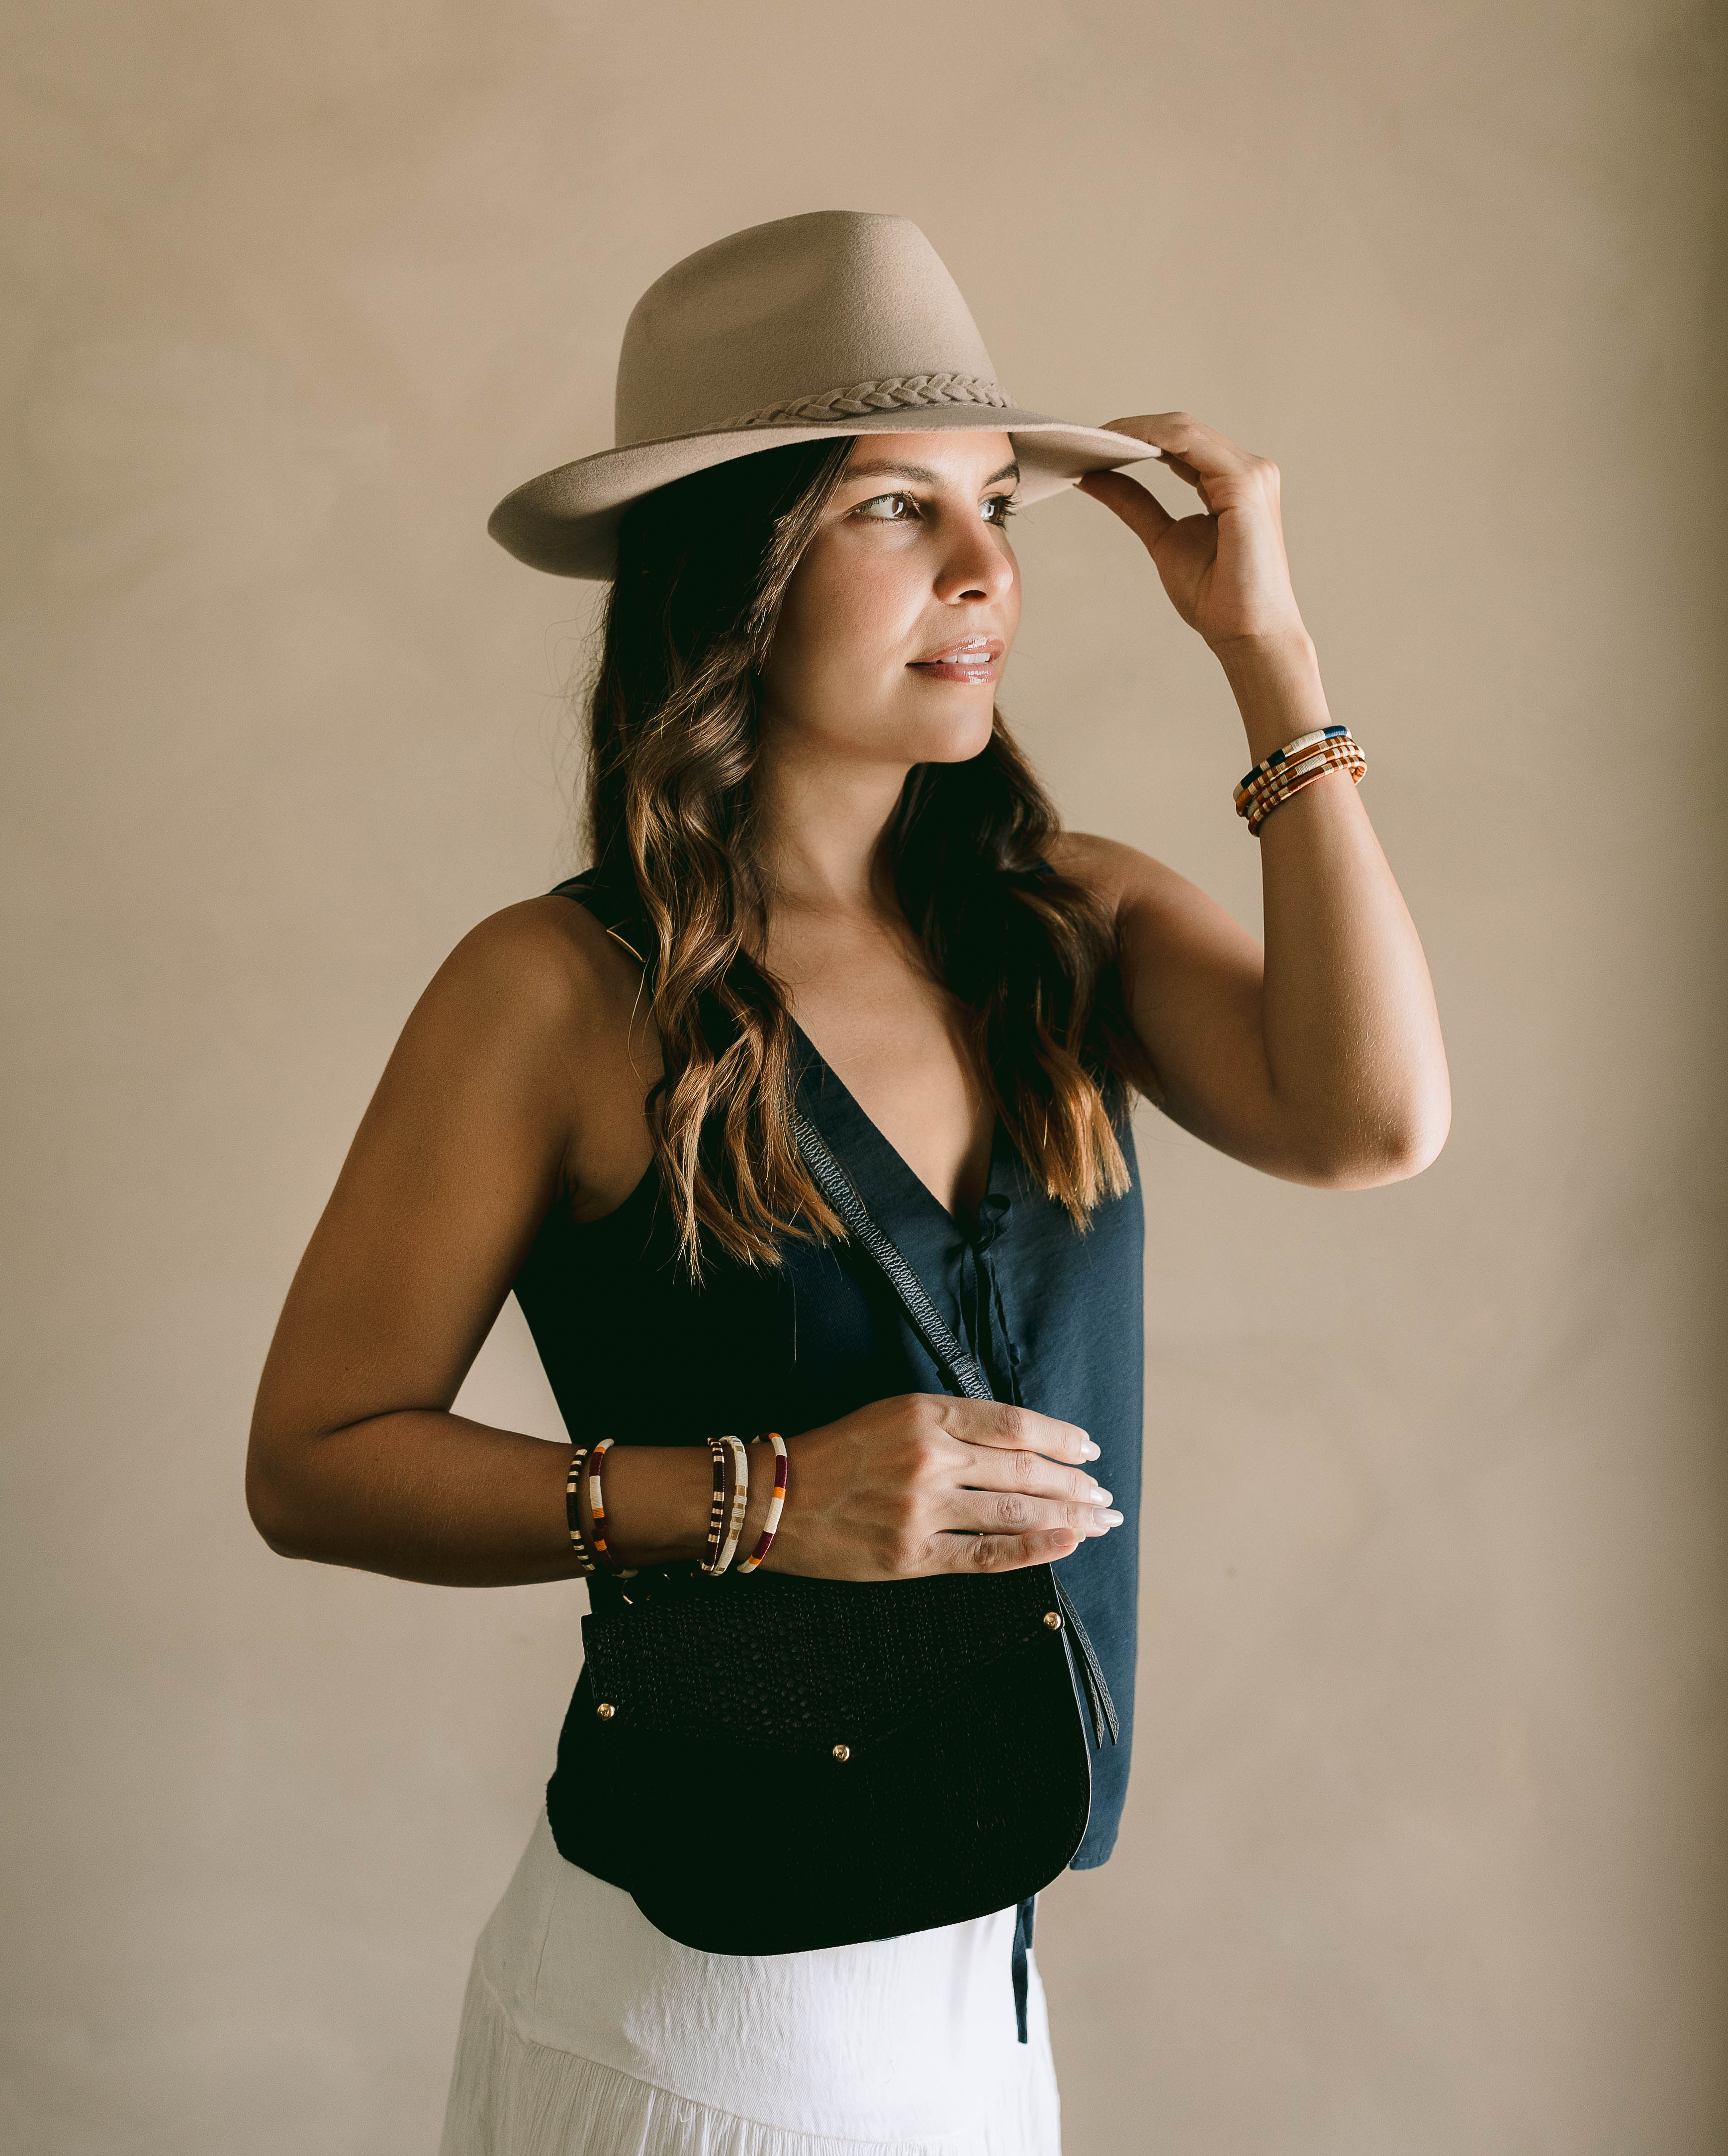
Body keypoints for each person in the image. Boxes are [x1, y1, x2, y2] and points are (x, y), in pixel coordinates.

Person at [245, 211, 1450, 2156]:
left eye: (1000, 508)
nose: (988, 568)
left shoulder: (1076, 920)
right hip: (695, 2029)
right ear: (739, 560)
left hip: (982, 2018)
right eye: (903, 509)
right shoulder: (555, 992)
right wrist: (763, 1496)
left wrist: (1270, 656)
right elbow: (314, 1456)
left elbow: (1372, 1119)